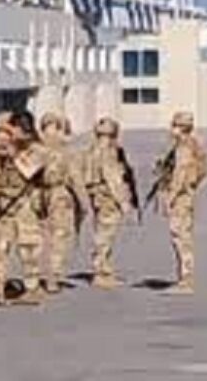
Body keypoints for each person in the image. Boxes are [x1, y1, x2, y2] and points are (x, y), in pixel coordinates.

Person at [0, 111, 48, 306]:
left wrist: (14, 154)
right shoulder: (5, 150)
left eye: (11, 130)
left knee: (28, 248)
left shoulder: (37, 150)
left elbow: (29, 171)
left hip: (26, 206)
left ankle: (32, 287)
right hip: (4, 205)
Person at [156, 112, 207, 295]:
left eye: (174, 126)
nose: (171, 130)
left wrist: (170, 197)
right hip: (185, 195)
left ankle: (186, 280)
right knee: (181, 237)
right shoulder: (193, 145)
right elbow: (203, 170)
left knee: (181, 238)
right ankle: (184, 279)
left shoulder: (184, 148)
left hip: (181, 198)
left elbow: (180, 174)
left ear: (180, 127)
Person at [83, 117, 137, 289]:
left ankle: (103, 269)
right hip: (107, 197)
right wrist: (124, 202)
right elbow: (113, 178)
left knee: (102, 232)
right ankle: (100, 272)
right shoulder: (107, 152)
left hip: (98, 196)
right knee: (105, 235)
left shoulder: (92, 150)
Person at [38, 112, 87, 295]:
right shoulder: (64, 151)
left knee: (43, 236)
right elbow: (75, 178)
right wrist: (83, 203)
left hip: (38, 196)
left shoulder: (35, 150)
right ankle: (53, 276)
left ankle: (37, 275)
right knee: (59, 236)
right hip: (59, 195)